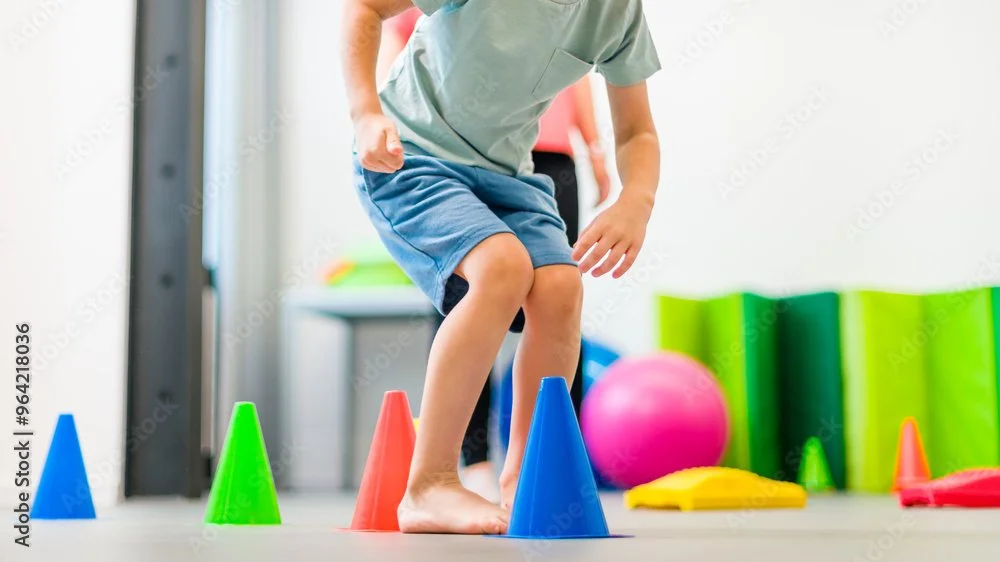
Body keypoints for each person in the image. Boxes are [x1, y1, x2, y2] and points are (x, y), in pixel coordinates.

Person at [342, 0, 661, 535]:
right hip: (412, 157)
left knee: (560, 287)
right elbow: (365, 9)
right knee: (502, 267)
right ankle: (429, 484)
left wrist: (637, 200)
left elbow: (637, 132)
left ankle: (524, 480)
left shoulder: (616, 11)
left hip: (508, 176)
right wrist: (365, 112)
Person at [375, 7, 613, 505]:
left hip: (544, 157)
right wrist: (381, 122)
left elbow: (581, 75)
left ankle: (543, 464)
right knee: (472, 297)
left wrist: (594, 145)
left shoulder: (582, 18)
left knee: (558, 291)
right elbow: (399, 46)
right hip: (450, 150)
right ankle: (471, 461)